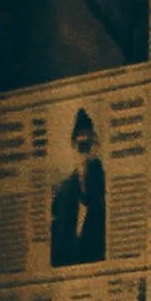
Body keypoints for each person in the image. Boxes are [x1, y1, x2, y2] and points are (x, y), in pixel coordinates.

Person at [51, 109, 106, 267]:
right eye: (81, 146)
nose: (85, 154)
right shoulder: (62, 194)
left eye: (88, 146)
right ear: (72, 146)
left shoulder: (106, 189)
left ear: (96, 146)